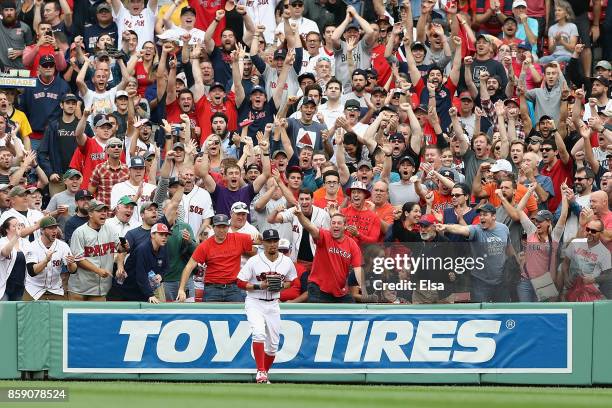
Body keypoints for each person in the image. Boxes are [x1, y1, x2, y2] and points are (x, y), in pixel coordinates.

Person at [237, 229, 297, 384]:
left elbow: (294, 281)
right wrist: (259, 286)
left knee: (272, 346)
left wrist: (283, 286)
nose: (272, 244)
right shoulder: (254, 261)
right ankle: (261, 371)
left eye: (274, 241)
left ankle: (263, 375)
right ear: (262, 243)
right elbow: (240, 282)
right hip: (255, 302)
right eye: (269, 241)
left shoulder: (286, 261)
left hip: (273, 304)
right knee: (258, 333)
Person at [436, 203, 513, 303]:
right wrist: (445, 227)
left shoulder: (504, 229)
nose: (481, 217)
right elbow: (461, 228)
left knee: (502, 311)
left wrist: (516, 264)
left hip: (501, 280)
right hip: (480, 282)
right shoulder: (476, 230)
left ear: (494, 216)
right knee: (480, 313)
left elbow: (509, 249)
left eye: (485, 214)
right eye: (480, 215)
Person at [176, 214, 256, 302]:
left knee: (238, 314)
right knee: (209, 315)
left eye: (224, 227)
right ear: (213, 228)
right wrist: (181, 289)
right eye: (218, 227)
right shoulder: (205, 246)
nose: (221, 230)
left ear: (228, 227)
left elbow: (262, 240)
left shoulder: (238, 238)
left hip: (233, 288)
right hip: (212, 289)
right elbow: (189, 266)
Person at [294, 205, 362, 303]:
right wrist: (300, 215)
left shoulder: (352, 244)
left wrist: (365, 290)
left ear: (345, 226)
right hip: (318, 289)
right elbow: (310, 227)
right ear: (330, 225)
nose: (336, 225)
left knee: (353, 309)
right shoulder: (325, 236)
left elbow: (358, 269)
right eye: (333, 223)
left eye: (339, 223)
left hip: (339, 292)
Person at [68, 200, 126, 301]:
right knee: (78, 316)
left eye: (105, 210)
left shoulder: (110, 229)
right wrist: (98, 270)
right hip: (80, 288)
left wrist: (123, 252)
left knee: (98, 316)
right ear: (90, 213)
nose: (104, 213)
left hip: (101, 288)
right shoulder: (79, 232)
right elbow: (79, 259)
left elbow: (120, 250)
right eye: (99, 211)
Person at [114, 223, 170, 303]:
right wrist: (150, 294)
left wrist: (161, 275)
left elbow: (166, 267)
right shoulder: (142, 249)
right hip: (129, 289)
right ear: (152, 235)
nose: (164, 237)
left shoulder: (163, 247)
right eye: (161, 234)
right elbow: (141, 274)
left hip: (145, 288)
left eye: (166, 235)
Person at [23, 216, 76, 301]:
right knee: (29, 313)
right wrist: (45, 261)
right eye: (50, 228)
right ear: (42, 230)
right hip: (34, 291)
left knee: (61, 313)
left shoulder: (63, 246)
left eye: (55, 227)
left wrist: (71, 264)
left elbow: (73, 271)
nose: (54, 231)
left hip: (55, 290)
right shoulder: (32, 246)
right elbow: (32, 272)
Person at [0, 217, 29, 300]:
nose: (18, 228)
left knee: (18, 312)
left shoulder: (25, 242)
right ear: (7, 230)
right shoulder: (2, 241)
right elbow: (5, 252)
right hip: (4, 286)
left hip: (20, 286)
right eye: (14, 226)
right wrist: (16, 236)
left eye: (19, 225)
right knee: (4, 312)